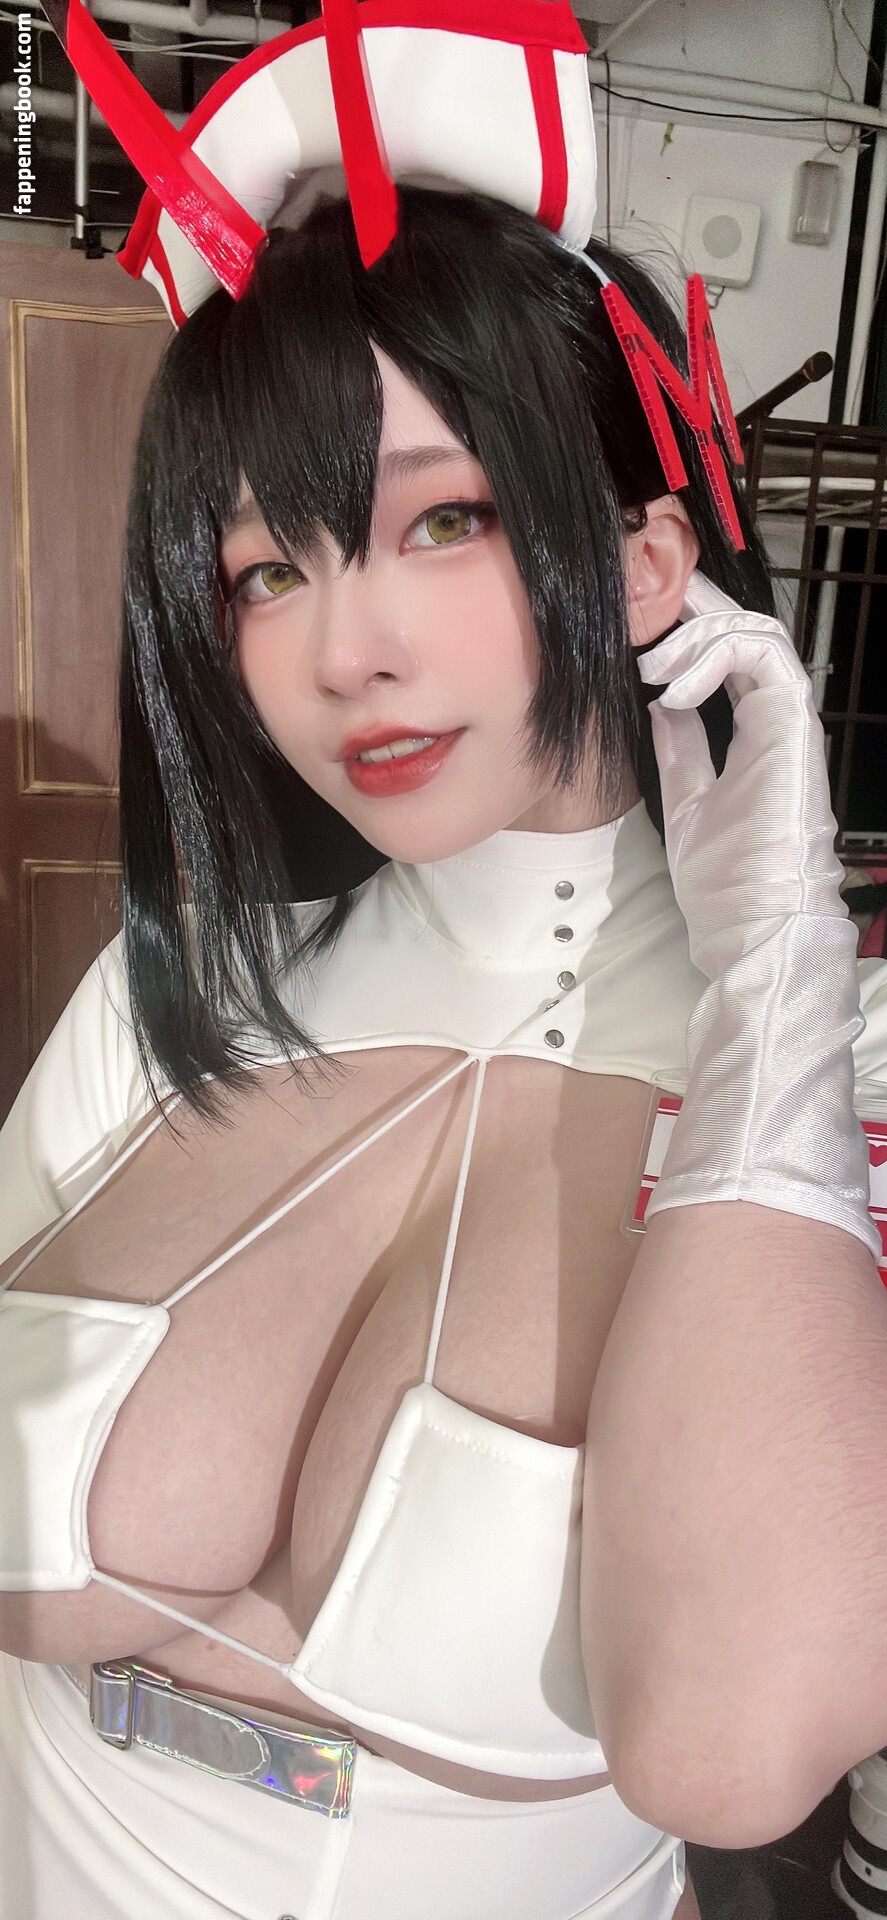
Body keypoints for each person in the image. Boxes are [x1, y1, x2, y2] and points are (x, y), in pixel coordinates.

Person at [2, 5, 887, 1917]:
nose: (346, 651)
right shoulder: (175, 992)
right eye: (267, 569)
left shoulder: (835, 1063)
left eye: (444, 519)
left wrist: (779, 957)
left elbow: (737, 1748)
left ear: (645, 558)